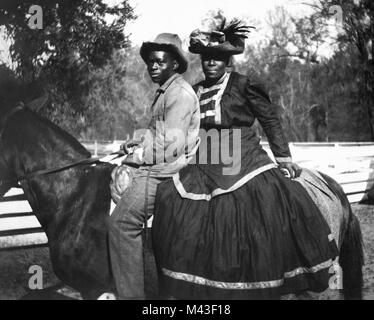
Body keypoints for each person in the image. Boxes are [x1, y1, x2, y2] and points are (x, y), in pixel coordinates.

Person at [152, 20, 339, 300]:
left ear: (228, 60)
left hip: (243, 153)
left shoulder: (244, 84)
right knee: (175, 202)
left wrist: (283, 157)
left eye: (218, 58)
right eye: (206, 58)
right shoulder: (196, 89)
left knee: (262, 201)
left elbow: (270, 120)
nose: (211, 63)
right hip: (205, 155)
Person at [108, 33, 200, 300]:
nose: (153, 66)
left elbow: (169, 144)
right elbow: (154, 132)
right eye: (150, 62)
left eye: (160, 62)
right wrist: (133, 142)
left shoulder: (179, 94)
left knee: (121, 224)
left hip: (166, 172)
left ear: (174, 64)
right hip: (157, 167)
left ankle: (131, 297)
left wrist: (134, 157)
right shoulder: (166, 91)